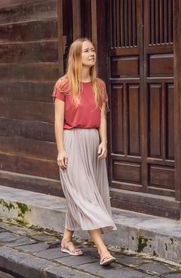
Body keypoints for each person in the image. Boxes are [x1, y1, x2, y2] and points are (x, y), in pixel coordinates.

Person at [52, 37, 117, 266]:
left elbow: (102, 116)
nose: (92, 54)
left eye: (93, 50)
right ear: (77, 56)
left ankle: (66, 240)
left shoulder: (99, 84)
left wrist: (104, 141)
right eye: (87, 51)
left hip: (92, 143)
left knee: (85, 193)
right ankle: (102, 250)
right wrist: (60, 150)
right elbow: (59, 120)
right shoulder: (64, 84)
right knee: (84, 195)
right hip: (71, 141)